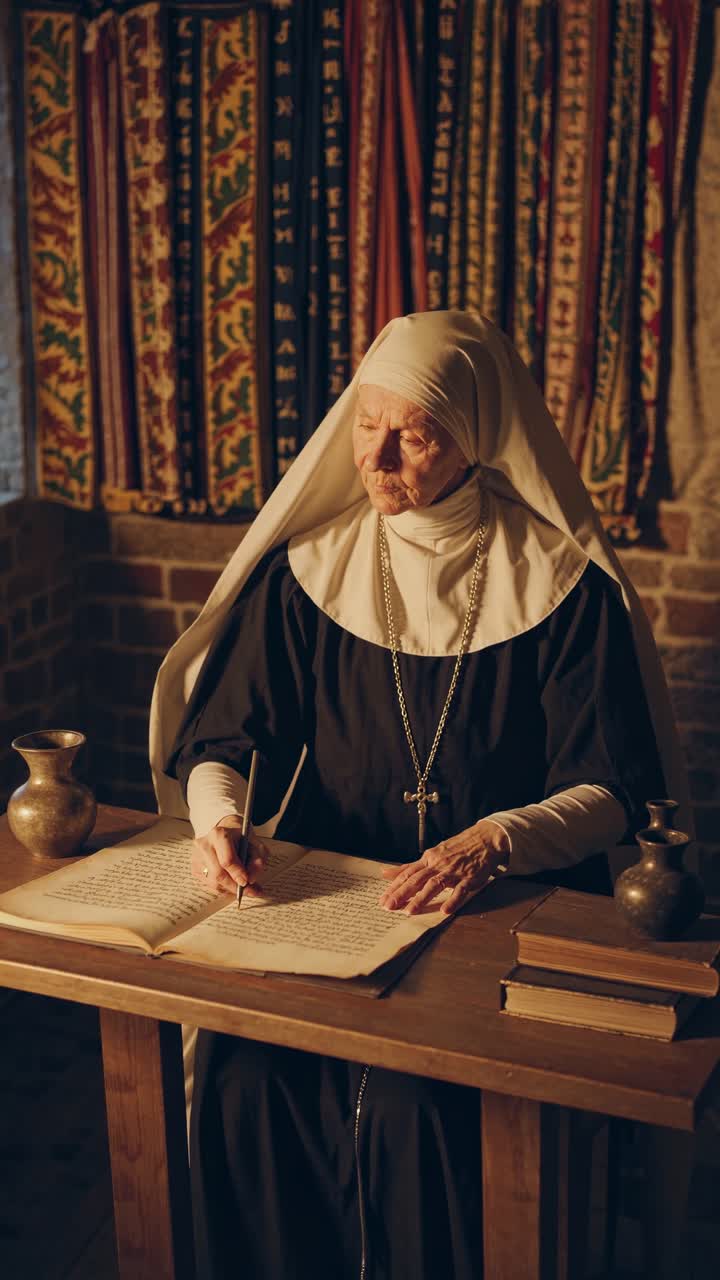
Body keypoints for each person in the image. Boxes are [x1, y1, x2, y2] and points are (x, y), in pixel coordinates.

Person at [150, 311, 687, 1280]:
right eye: (366, 424)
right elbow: (221, 738)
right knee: (252, 1077)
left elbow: (615, 789)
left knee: (420, 1106)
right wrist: (219, 818)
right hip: (331, 895)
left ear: (473, 435)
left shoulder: (563, 587)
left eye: (415, 431)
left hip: (504, 903)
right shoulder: (307, 575)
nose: (379, 452)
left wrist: (493, 839)